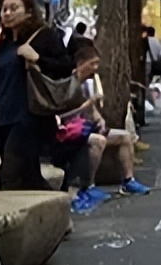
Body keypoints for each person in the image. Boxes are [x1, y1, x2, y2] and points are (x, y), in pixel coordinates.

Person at [0, 0, 76, 189]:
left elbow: (65, 66)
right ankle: (56, 207)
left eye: (14, 8)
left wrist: (37, 58)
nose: (8, 13)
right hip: (4, 117)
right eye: (4, 9)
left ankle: (6, 218)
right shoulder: (1, 44)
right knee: (29, 177)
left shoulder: (43, 36)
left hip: (29, 117)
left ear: (29, 12)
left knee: (8, 177)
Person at [55, 44, 151, 214]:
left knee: (124, 137)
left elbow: (92, 111)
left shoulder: (88, 84)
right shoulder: (67, 84)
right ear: (80, 63)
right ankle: (88, 185)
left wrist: (99, 119)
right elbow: (61, 115)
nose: (95, 68)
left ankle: (128, 181)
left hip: (86, 127)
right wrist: (87, 104)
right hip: (69, 132)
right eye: (92, 64)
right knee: (98, 141)